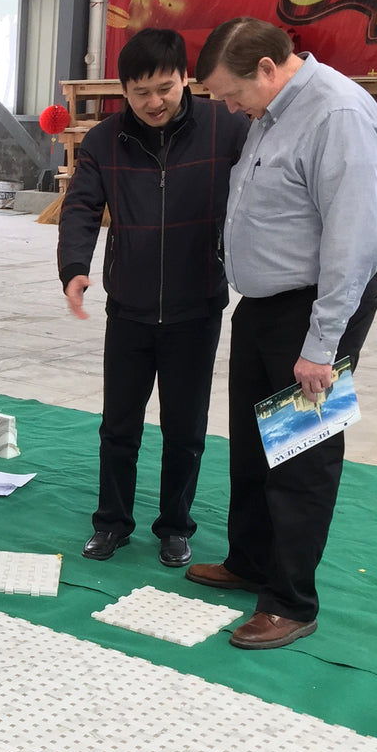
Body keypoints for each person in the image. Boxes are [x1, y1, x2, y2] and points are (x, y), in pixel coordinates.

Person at [189, 17, 377, 649]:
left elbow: (352, 246)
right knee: (254, 443)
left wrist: (321, 347)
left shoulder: (338, 116)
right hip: (264, 304)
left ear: (270, 69)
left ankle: (291, 601)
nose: (228, 107)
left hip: (318, 309)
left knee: (302, 454)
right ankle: (251, 561)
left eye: (232, 94)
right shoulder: (271, 113)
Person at [58, 28, 249, 568]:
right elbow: (80, 209)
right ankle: (112, 522)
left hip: (196, 309)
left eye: (165, 88)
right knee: (118, 426)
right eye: (140, 93)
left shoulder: (226, 129)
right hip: (130, 311)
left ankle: (174, 526)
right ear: (123, 91)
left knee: (185, 430)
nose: (154, 103)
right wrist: (74, 268)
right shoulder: (104, 141)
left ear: (187, 78)